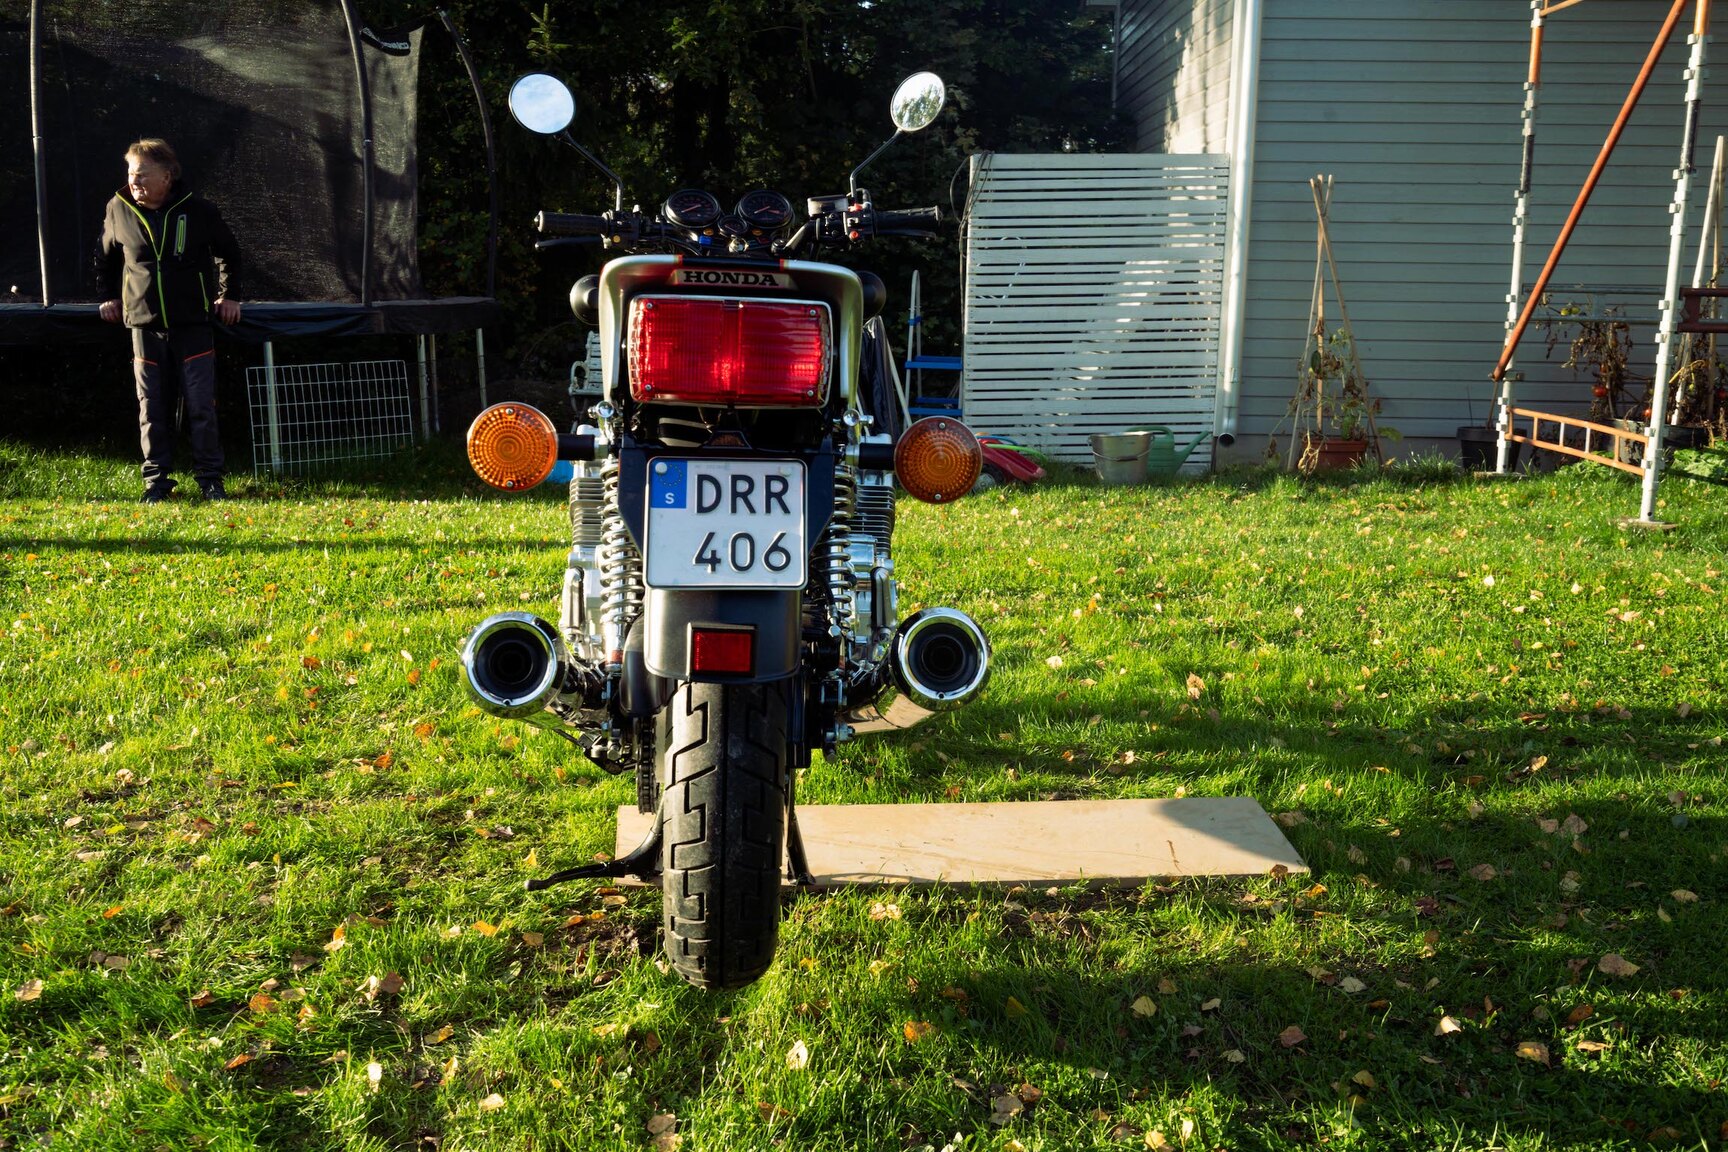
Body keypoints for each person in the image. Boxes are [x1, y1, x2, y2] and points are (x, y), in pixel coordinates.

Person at [97, 138, 242, 503]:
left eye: (143, 175)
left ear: (168, 176)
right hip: (143, 325)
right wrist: (109, 297)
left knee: (200, 404)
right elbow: (105, 259)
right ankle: (156, 483)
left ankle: (210, 480)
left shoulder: (198, 211)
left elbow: (230, 253)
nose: (135, 182)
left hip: (193, 324)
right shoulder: (118, 208)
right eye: (131, 174)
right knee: (151, 406)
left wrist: (229, 296)